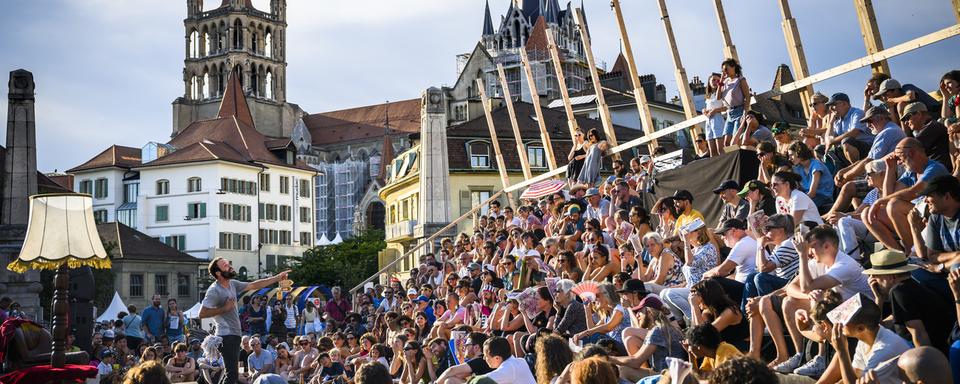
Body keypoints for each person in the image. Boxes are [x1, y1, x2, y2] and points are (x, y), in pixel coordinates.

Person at [772, 226, 873, 377]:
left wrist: (802, 256)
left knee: (818, 300)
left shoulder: (844, 265)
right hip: (842, 308)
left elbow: (807, 287)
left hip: (861, 312)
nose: (809, 252)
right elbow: (792, 287)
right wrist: (810, 295)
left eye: (811, 247)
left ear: (827, 246)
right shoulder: (821, 261)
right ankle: (800, 354)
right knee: (790, 302)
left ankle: (821, 358)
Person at [199, 257, 289, 384]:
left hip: (234, 335)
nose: (229, 266)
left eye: (228, 263)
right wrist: (224, 308)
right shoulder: (214, 290)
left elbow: (254, 284)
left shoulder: (232, 284)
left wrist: (277, 278)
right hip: (226, 336)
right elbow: (202, 313)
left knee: (231, 374)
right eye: (225, 265)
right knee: (232, 375)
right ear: (218, 273)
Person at [862, 250, 954, 354]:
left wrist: (928, 363)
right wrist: (879, 299)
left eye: (875, 275)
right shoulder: (911, 286)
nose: (872, 279)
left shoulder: (899, 292)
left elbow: (918, 333)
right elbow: (879, 327)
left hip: (932, 351)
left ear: (891, 277)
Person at [866, 137, 949, 252]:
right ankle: (900, 253)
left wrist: (879, 201)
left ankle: (912, 252)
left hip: (934, 216)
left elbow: (913, 192)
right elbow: (888, 196)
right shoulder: (911, 173)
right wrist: (890, 168)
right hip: (915, 215)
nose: (899, 162)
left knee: (894, 205)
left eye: (900, 157)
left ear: (911, 153)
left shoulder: (934, 168)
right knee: (867, 214)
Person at [825, 293, 911, 384]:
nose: (838, 323)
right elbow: (856, 375)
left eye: (844, 320)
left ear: (861, 328)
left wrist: (842, 351)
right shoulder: (866, 338)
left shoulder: (884, 351)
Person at [902, 101, 952, 172]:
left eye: (907, 117)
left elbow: (904, 149)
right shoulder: (931, 126)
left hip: (938, 172)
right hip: (933, 169)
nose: (906, 122)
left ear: (919, 114)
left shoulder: (932, 126)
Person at [788, 142, 834, 208]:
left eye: (791, 155)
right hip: (808, 197)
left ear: (799, 153)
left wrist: (796, 201)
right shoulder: (798, 168)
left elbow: (812, 193)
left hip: (823, 198)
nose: (789, 159)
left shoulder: (816, 166)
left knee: (797, 206)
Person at [717, 58, 751, 148]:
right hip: (729, 113)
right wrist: (721, 79)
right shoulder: (725, 82)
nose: (724, 71)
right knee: (726, 143)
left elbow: (747, 97)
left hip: (739, 110)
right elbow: (718, 97)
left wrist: (745, 112)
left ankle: (739, 159)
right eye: (723, 70)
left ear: (733, 67)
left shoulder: (740, 79)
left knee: (735, 141)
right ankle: (733, 159)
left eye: (726, 69)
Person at [703, 72, 727, 157]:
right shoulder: (709, 95)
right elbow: (709, 106)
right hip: (708, 121)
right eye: (713, 80)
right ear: (709, 81)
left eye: (718, 80)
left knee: (720, 149)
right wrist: (704, 110)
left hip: (717, 119)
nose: (715, 82)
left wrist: (715, 110)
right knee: (712, 151)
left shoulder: (722, 92)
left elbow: (727, 107)